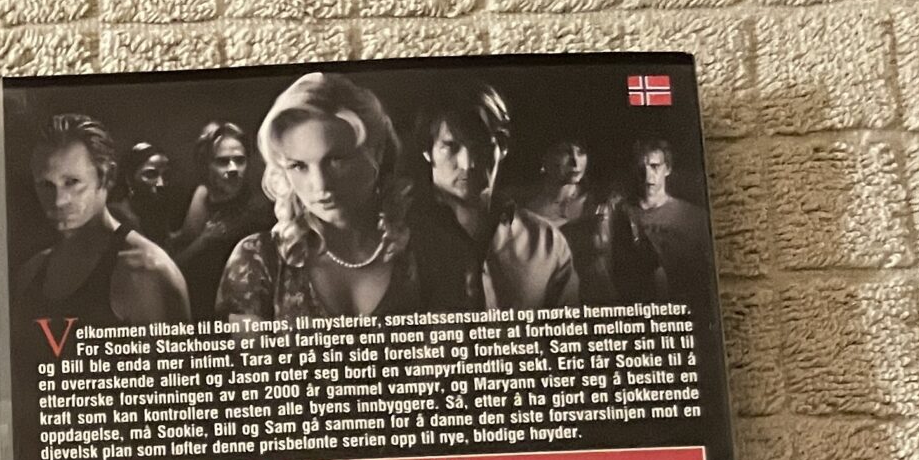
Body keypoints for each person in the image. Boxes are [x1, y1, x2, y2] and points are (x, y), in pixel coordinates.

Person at [217, 71, 419, 320]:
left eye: (336, 160)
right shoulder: (255, 260)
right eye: (298, 166)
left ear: (376, 153)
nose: (320, 184)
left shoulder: (425, 250)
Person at [408, 87, 580, 312]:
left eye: (480, 145)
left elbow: (571, 331)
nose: (468, 163)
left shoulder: (546, 243)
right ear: (427, 150)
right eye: (451, 146)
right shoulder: (399, 239)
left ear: (502, 147)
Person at [14, 113, 189, 327]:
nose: (58, 200)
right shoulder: (30, 273)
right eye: (46, 185)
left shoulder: (148, 271)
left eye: (72, 182)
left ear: (107, 176)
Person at [515, 134, 657, 306]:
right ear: (544, 157)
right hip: (551, 313)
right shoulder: (521, 214)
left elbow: (646, 268)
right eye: (565, 152)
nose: (575, 161)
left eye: (581, 152)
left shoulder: (606, 204)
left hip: (602, 311)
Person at [171, 120, 270, 316]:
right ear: (206, 165)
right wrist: (205, 240)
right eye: (222, 161)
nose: (233, 168)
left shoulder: (261, 208)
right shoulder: (201, 197)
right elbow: (176, 266)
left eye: (239, 160)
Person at [628, 135, 714, 310]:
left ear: (667, 169)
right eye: (641, 167)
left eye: (655, 167)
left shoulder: (694, 217)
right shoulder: (620, 216)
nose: (647, 175)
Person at [122, 141, 184, 248]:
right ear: (129, 178)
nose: (161, 184)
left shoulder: (155, 209)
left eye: (166, 175)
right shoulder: (121, 216)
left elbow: (165, 243)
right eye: (151, 174)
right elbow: (154, 257)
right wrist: (204, 239)